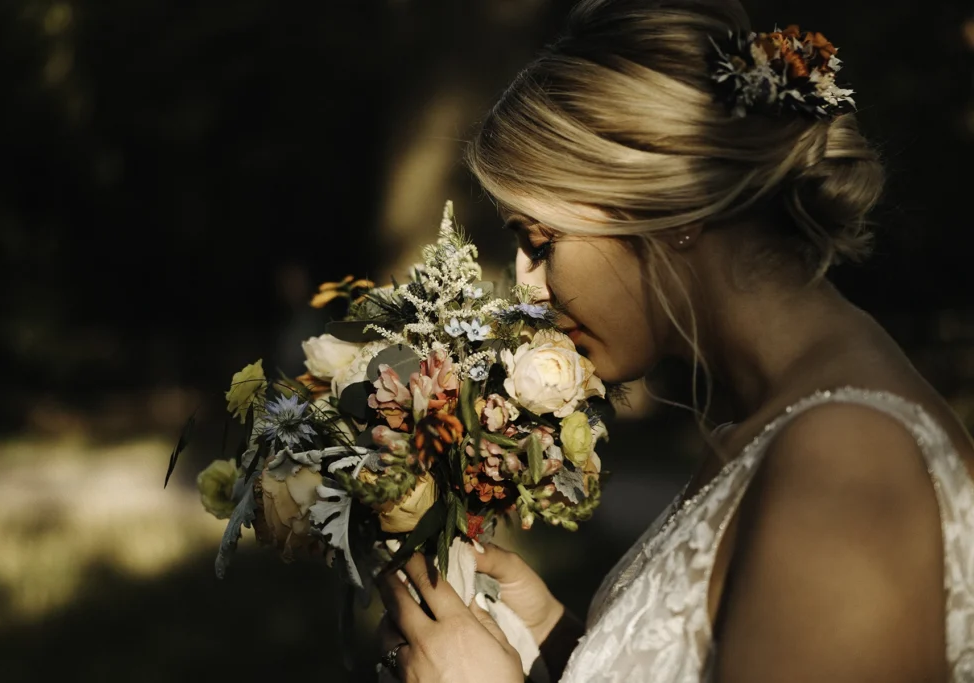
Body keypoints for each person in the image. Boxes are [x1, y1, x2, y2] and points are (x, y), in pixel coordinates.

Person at [375, 0, 974, 681]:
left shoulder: (846, 464)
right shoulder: (766, 417)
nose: (529, 288)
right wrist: (561, 645)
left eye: (540, 243)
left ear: (675, 207)